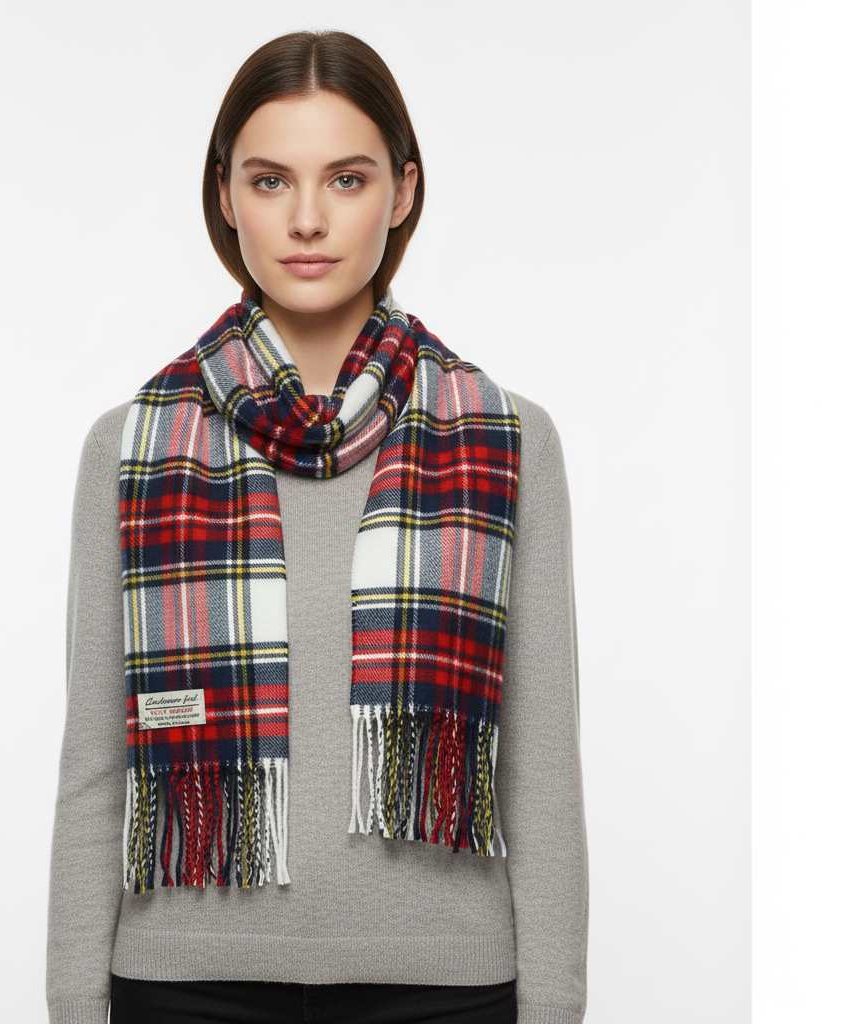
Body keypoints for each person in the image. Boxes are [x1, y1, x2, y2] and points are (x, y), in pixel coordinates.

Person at [46, 29, 588, 1024]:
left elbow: (541, 770)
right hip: (183, 984)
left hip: (444, 987)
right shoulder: (129, 446)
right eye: (269, 181)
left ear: (403, 191)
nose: (306, 219)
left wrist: (553, 1008)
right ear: (225, 195)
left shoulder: (508, 439)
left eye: (346, 178)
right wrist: (74, 1005)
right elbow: (94, 767)